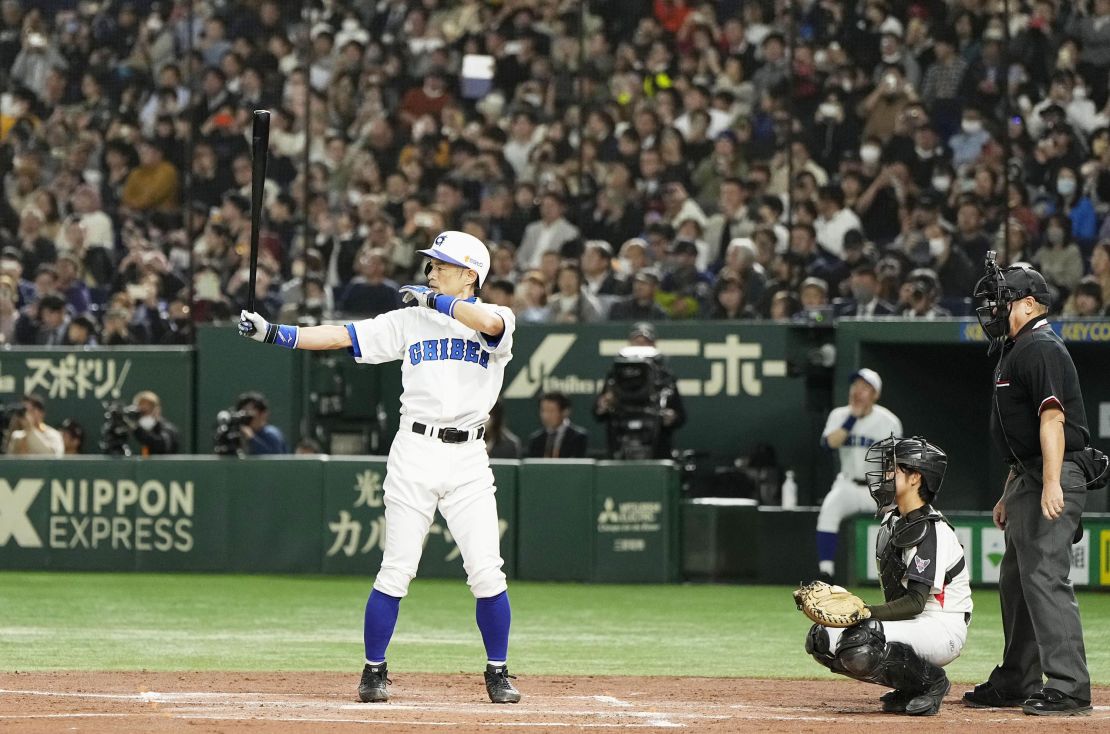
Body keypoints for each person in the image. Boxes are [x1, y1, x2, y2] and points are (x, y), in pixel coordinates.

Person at [238, 230, 521, 705]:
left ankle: (498, 671)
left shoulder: (496, 318)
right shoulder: (410, 320)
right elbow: (340, 336)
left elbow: (488, 324)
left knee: (487, 572)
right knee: (395, 570)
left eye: (442, 266)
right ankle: (374, 671)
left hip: (470, 457)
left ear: (470, 274)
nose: (431, 271)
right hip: (415, 449)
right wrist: (274, 332)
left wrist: (436, 301)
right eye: (431, 265)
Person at [964, 260, 1094, 715]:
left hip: (1054, 470)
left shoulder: (1040, 347)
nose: (994, 308)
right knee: (1016, 578)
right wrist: (1010, 488)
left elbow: (1052, 419)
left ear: (1029, 304)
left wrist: (1052, 482)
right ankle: (1018, 677)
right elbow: (1016, 431)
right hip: (1028, 473)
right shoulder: (1017, 347)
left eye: (1002, 299)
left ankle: (1070, 685)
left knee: (1043, 576)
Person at [805, 435, 971, 717]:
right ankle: (909, 686)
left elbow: (916, 602)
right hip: (915, 623)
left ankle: (932, 683)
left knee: (860, 642)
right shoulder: (893, 519)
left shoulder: (931, 530)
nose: (886, 474)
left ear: (916, 477)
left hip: (941, 626)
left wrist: (864, 613)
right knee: (822, 640)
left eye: (894, 469)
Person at [816, 369, 903, 580]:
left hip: (878, 487)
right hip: (848, 485)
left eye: (865, 388)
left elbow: (896, 462)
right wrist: (851, 420)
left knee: (902, 520)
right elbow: (828, 444)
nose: (858, 391)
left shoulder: (888, 421)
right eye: (855, 386)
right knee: (828, 510)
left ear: (875, 394)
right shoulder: (839, 415)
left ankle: (903, 573)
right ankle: (826, 572)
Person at [593, 322, 686, 459]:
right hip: (620, 445)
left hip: (655, 448)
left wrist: (670, 417)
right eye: (637, 342)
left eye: (645, 342)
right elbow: (598, 413)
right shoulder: (616, 374)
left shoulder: (665, 377)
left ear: (653, 345)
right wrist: (603, 404)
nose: (640, 347)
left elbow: (680, 416)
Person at [526, 391, 589, 459]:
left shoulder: (578, 437)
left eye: (551, 411)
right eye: (543, 410)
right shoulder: (536, 440)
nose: (545, 416)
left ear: (565, 412)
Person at [130, 390, 180, 455]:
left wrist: (137, 429)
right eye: (141, 412)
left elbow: (161, 446)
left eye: (146, 411)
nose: (144, 416)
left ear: (157, 410)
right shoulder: (132, 429)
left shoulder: (168, 429)